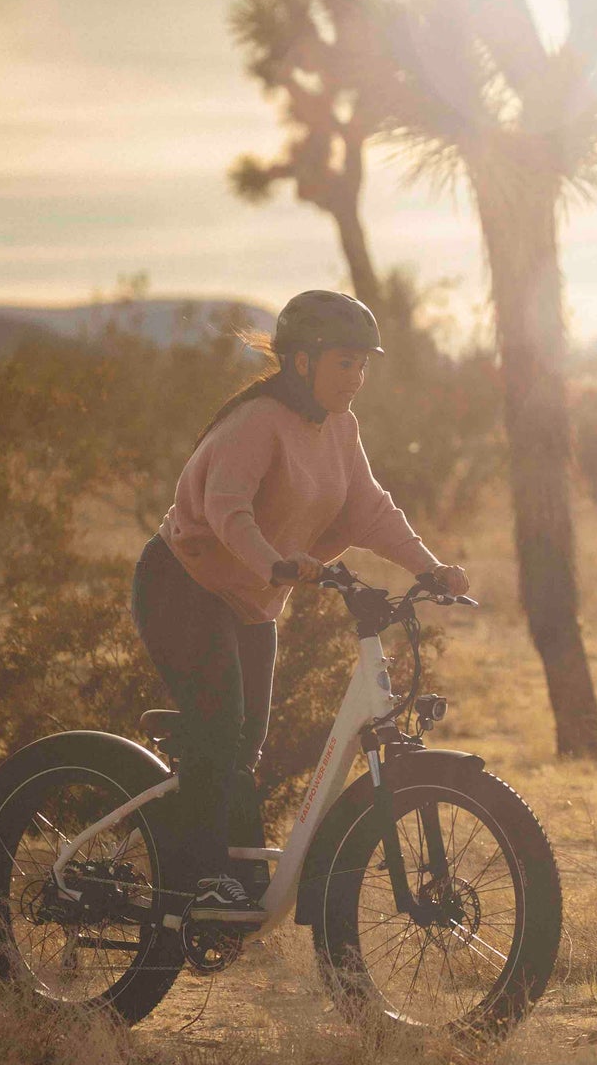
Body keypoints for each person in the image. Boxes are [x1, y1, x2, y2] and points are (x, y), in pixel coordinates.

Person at [129, 290, 470, 925]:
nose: (358, 377)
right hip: (183, 586)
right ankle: (205, 882)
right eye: (347, 363)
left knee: (245, 743)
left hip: (252, 601)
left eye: (364, 364)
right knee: (221, 729)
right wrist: (277, 562)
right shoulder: (257, 420)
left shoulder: (341, 427)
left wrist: (429, 567)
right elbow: (226, 510)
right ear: (303, 363)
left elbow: (368, 508)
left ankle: (231, 885)